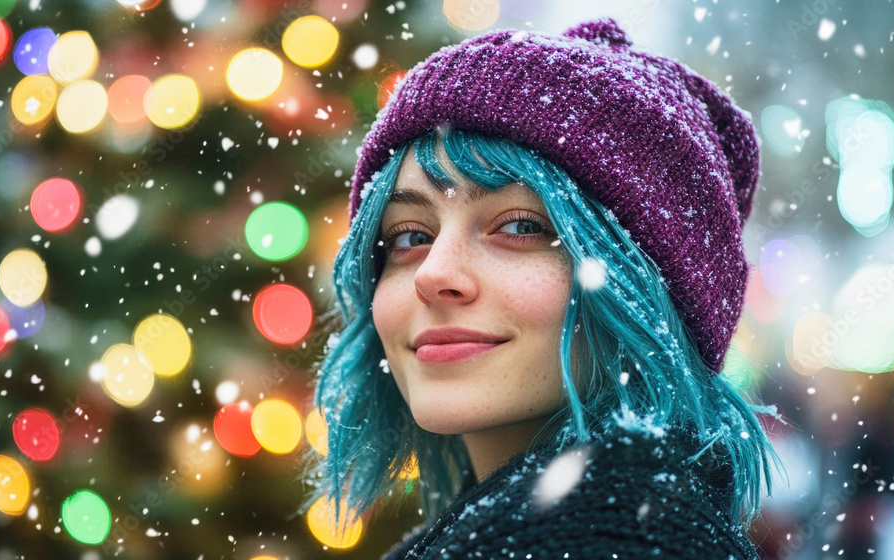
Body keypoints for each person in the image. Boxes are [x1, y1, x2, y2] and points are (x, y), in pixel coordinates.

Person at [299, 17, 786, 559]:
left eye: (521, 226)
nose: (433, 274)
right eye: (408, 235)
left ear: (644, 290)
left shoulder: (611, 540)